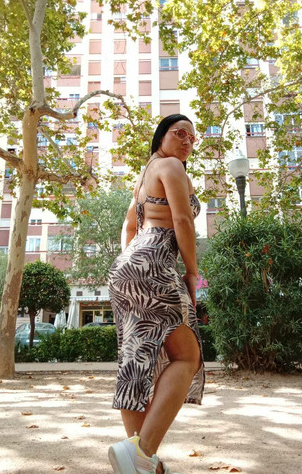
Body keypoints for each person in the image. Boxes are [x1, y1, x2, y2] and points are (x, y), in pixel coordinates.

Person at [107, 114, 205, 474]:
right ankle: (143, 452)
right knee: (187, 356)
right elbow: (182, 220)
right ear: (162, 135)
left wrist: (131, 260)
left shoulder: (144, 176)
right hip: (156, 261)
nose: (187, 142)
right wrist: (192, 271)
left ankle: (141, 462)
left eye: (192, 138)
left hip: (128, 266)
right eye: (180, 133)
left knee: (135, 361)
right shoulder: (172, 166)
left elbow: (129, 225)